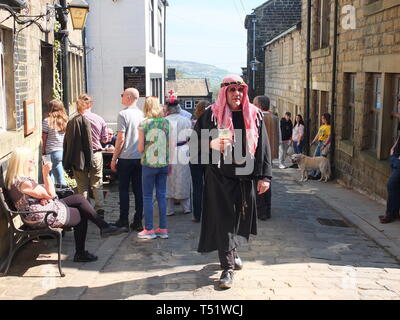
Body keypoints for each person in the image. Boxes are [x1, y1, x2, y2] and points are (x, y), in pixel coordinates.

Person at [190, 75, 272, 289]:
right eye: (232, 90)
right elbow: (193, 147)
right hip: (219, 178)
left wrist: (265, 176)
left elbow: (263, 146)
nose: (237, 94)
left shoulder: (254, 115)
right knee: (224, 221)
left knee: (238, 220)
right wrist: (211, 143)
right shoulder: (211, 115)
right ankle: (227, 268)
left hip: (245, 179)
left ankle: (232, 252)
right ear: (224, 92)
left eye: (240, 90)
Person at [5, 148, 124, 262]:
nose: (34, 162)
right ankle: (83, 250)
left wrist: (42, 197)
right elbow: (51, 194)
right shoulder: (25, 183)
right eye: (30, 160)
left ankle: (103, 228)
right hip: (42, 215)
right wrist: (46, 175)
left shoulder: (17, 180)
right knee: (81, 213)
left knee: (79, 199)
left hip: (41, 209)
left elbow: (45, 195)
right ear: (21, 163)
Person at [64, 94, 109, 218]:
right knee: (97, 183)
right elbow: (104, 139)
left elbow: (68, 140)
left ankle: (86, 210)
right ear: (91, 104)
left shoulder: (73, 121)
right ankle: (100, 209)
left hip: (79, 156)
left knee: (82, 185)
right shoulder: (99, 119)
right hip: (95, 154)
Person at [111, 88, 145, 232]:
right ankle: (138, 221)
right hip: (139, 157)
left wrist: (114, 158)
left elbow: (121, 138)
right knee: (139, 190)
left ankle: (123, 220)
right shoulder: (143, 114)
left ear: (129, 97)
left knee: (124, 190)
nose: (121, 97)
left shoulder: (123, 114)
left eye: (122, 94)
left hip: (125, 157)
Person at [136, 97, 170, 239]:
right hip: (163, 163)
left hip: (149, 164)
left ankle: (149, 229)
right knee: (161, 196)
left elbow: (140, 148)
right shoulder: (166, 122)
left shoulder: (144, 123)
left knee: (148, 196)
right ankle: (163, 229)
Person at [165, 92, 192, 216]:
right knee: (183, 178)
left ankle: (169, 209)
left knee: (169, 179)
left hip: (168, 150)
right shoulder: (186, 120)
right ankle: (186, 207)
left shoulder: (164, 121)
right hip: (183, 150)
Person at [253, 95, 277, 221]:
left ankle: (261, 211)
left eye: (254, 103)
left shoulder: (258, 117)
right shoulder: (274, 117)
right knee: (267, 183)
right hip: (271, 154)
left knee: (260, 183)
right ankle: (267, 209)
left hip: (261, 154)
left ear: (259, 105)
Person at [189, 100, 209, 223]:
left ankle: (197, 215)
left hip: (196, 158)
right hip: (209, 157)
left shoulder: (195, 123)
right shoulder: (213, 122)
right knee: (210, 187)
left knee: (197, 187)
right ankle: (209, 214)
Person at [42, 99, 68, 186]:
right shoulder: (65, 120)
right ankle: (53, 195)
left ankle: (66, 195)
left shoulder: (47, 121)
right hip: (61, 151)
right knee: (50, 176)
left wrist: (43, 150)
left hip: (51, 151)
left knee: (59, 178)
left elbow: (44, 137)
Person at [379, 136, 400, 223]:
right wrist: (393, 148)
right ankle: (394, 213)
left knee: (391, 185)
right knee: (396, 187)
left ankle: (390, 214)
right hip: (394, 158)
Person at [310, 113, 332, 179]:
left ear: (326, 119)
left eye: (322, 118)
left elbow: (329, 137)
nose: (321, 119)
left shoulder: (329, 127)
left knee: (321, 161)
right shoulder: (322, 126)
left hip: (324, 143)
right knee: (314, 158)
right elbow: (318, 134)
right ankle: (312, 173)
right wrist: (313, 142)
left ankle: (317, 175)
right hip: (319, 143)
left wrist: (324, 145)